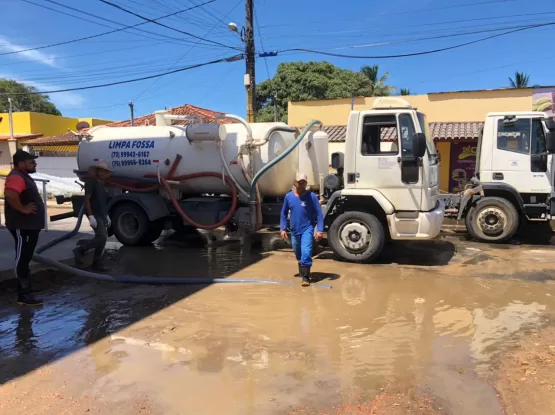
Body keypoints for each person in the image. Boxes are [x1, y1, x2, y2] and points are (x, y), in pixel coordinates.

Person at [3, 150, 45, 306]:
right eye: (31, 162)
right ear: (21, 163)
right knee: (22, 258)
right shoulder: (16, 177)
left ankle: (27, 289)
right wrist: (23, 209)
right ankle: (23, 294)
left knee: (26, 257)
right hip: (22, 226)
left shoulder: (23, 177)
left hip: (29, 226)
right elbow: (11, 195)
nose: (35, 164)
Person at [280, 173, 324, 286]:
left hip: (307, 229)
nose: (302, 184)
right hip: (294, 230)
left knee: (306, 251)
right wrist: (283, 229)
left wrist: (320, 230)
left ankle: (305, 278)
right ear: (295, 183)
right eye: (300, 182)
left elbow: (319, 214)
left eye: (304, 182)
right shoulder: (288, 197)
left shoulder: (312, 197)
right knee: (298, 252)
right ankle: (302, 271)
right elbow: (283, 213)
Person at [73, 162, 112, 271]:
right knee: (102, 237)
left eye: (106, 171)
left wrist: (106, 215)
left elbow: (102, 202)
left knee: (103, 239)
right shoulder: (91, 182)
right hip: (95, 214)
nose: (104, 173)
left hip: (102, 214)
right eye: (102, 171)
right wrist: (90, 216)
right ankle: (80, 250)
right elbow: (87, 199)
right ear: (97, 171)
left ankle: (97, 261)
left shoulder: (101, 184)